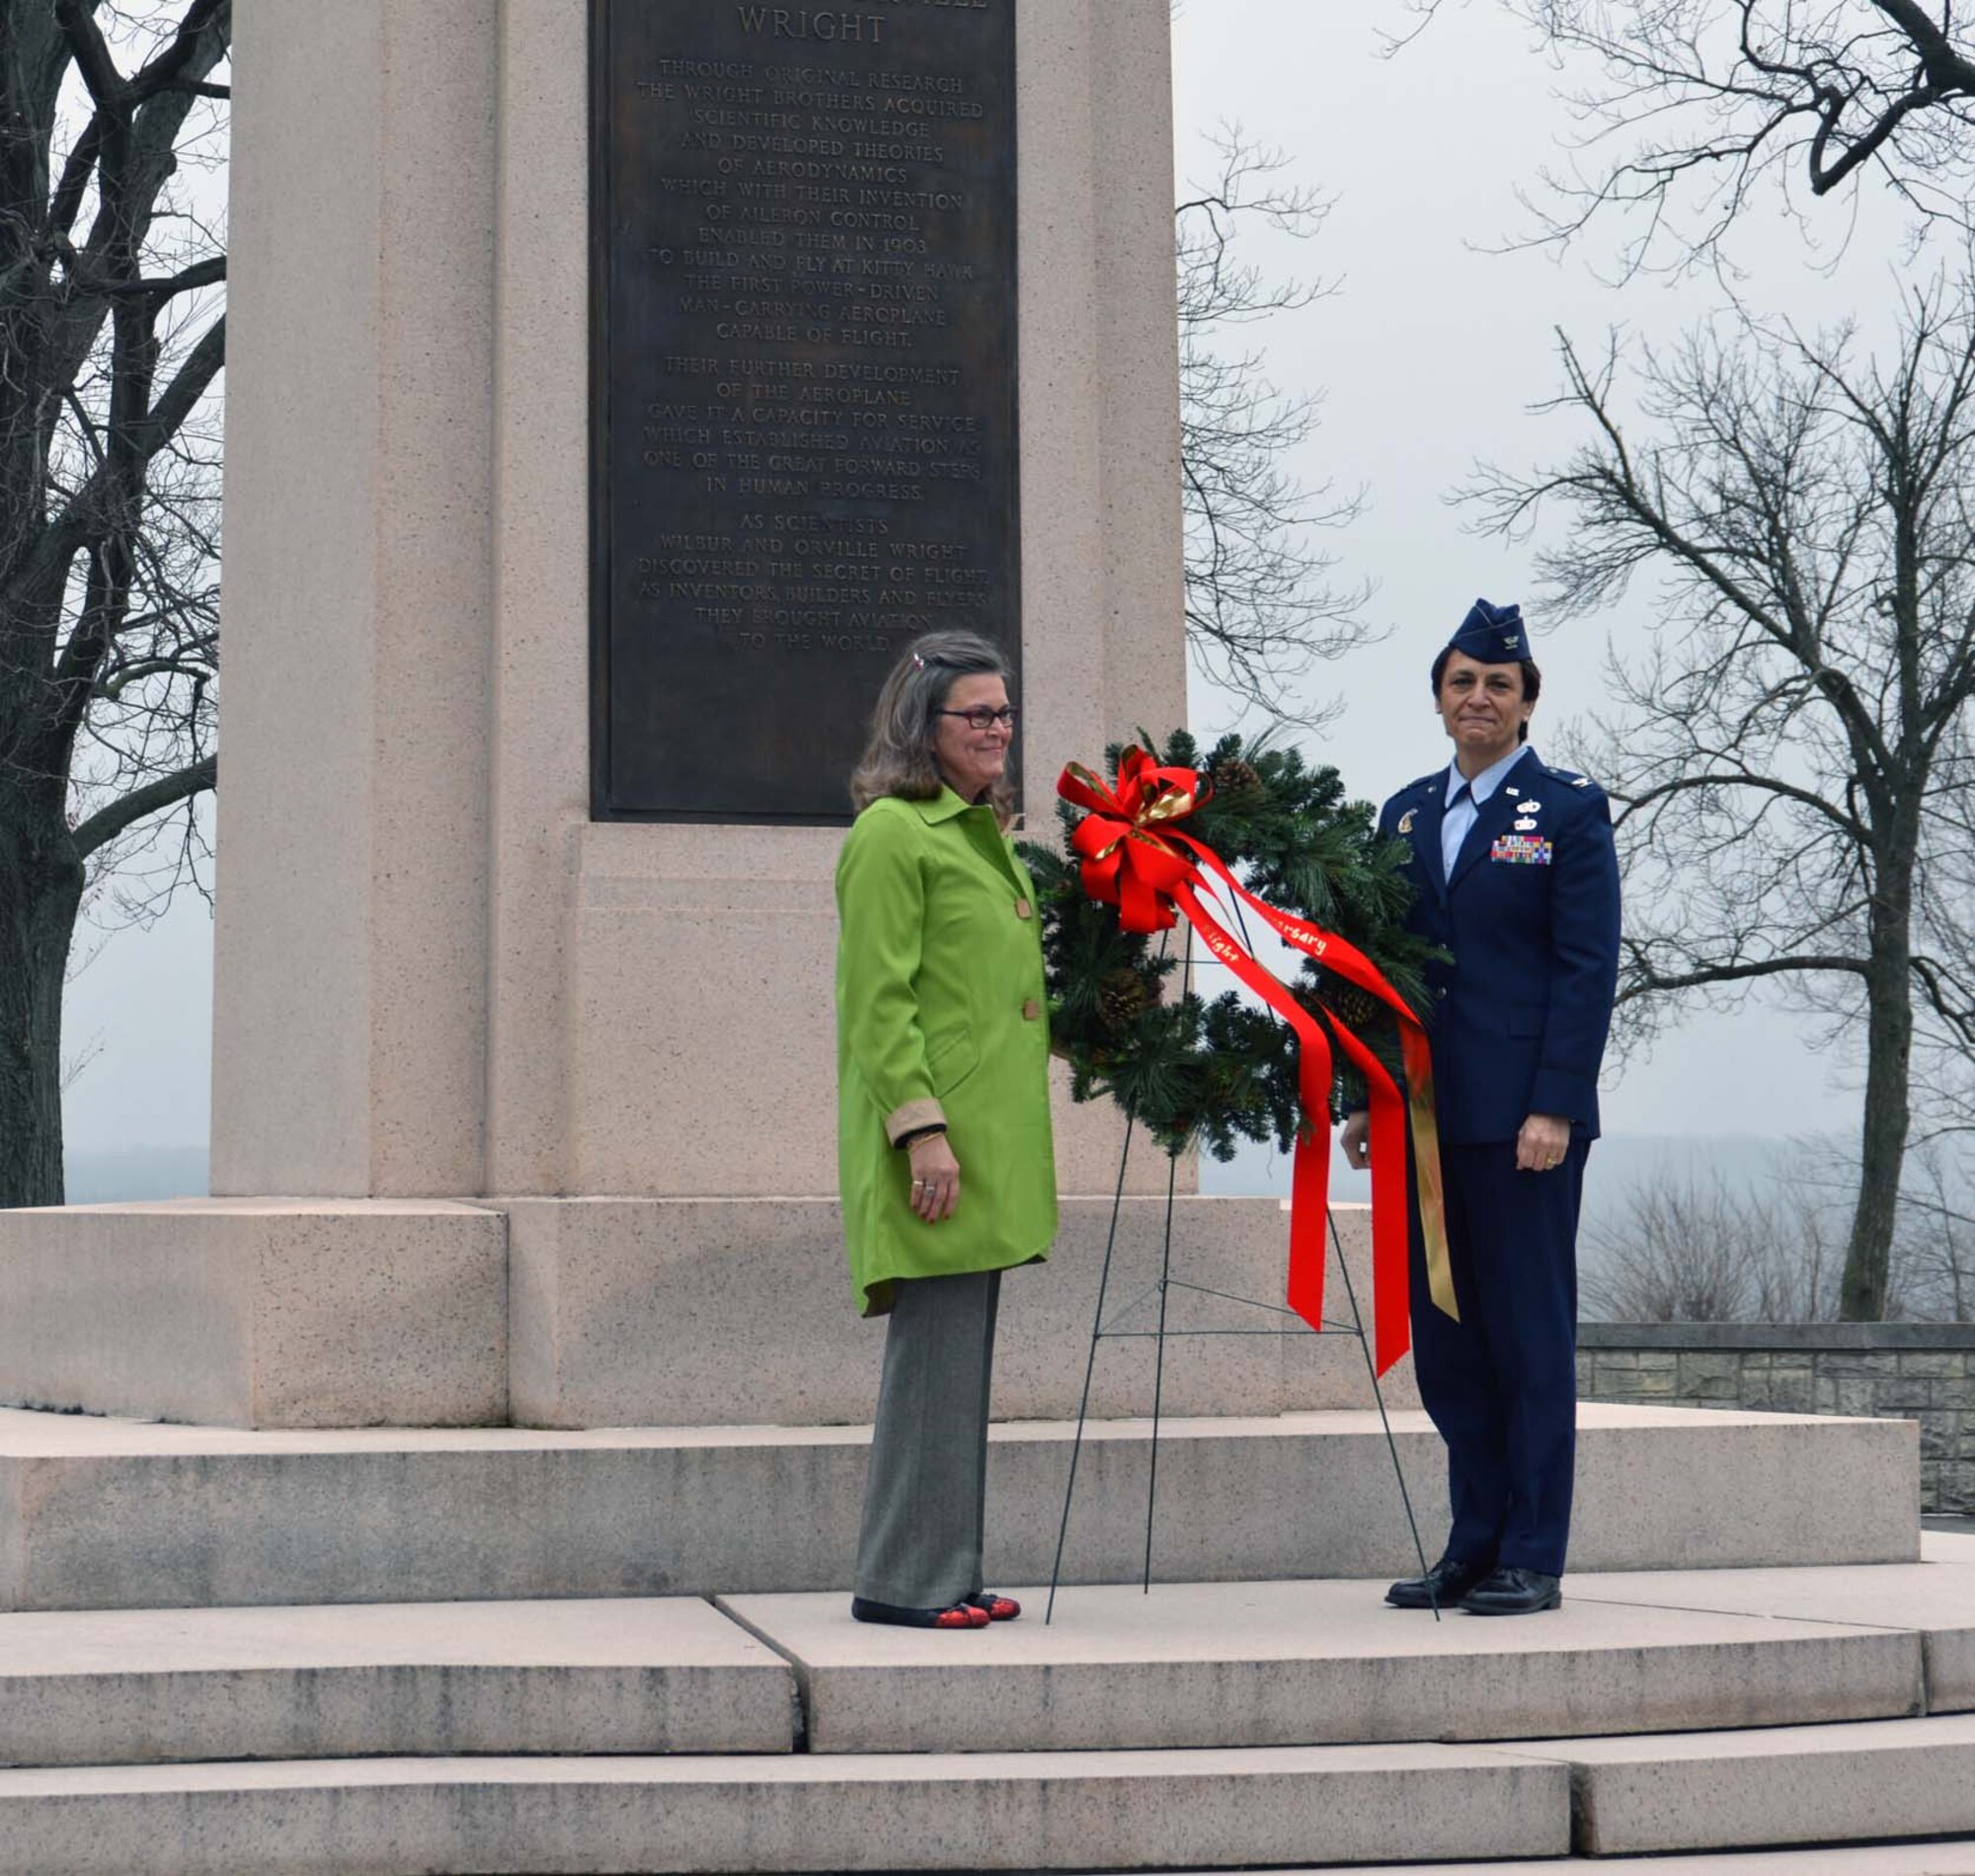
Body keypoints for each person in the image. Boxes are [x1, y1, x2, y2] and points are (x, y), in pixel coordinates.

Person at [1342, 597, 1620, 1616]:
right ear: (1436, 699)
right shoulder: (1405, 814)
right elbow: (1379, 968)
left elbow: (1585, 970)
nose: (1477, 697)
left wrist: (1554, 1103)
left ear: (1526, 703)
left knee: (1525, 1337)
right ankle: (1471, 1541)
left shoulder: (1567, 813)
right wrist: (1364, 1095)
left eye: (1497, 683)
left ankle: (1532, 1550)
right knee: (1449, 1338)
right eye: (1460, 681)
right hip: (1423, 1118)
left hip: (1523, 1130)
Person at [834, 630, 1058, 1630]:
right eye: (978, 714)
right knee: (931, 1362)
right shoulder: (893, 833)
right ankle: (900, 1580)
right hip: (935, 1147)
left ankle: (947, 1567)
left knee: (957, 1365)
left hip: (984, 1143)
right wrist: (920, 1129)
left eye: (1004, 712)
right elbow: (876, 1005)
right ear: (924, 726)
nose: (997, 730)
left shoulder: (979, 832)